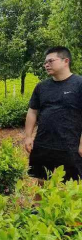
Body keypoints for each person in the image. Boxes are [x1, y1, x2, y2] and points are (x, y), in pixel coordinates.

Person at [25, 46, 82, 182]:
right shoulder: (41, 86)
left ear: (65, 61)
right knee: (41, 181)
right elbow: (32, 111)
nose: (46, 65)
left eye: (50, 61)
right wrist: (28, 136)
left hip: (70, 146)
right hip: (43, 144)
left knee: (73, 186)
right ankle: (40, 205)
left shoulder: (79, 84)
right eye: (45, 62)